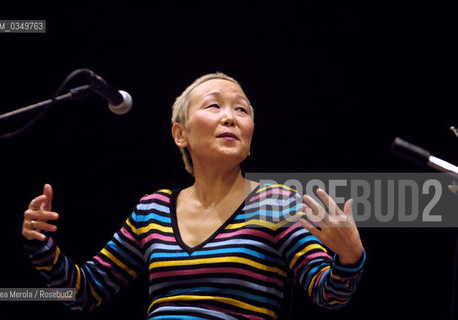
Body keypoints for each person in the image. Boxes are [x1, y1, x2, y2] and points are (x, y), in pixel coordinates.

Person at [21, 72, 365, 319]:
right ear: (180, 134)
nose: (230, 117)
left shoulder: (276, 202)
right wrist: (40, 245)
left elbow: (329, 295)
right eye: (214, 106)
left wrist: (350, 259)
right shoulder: (151, 210)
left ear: (250, 138)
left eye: (242, 110)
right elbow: (84, 293)